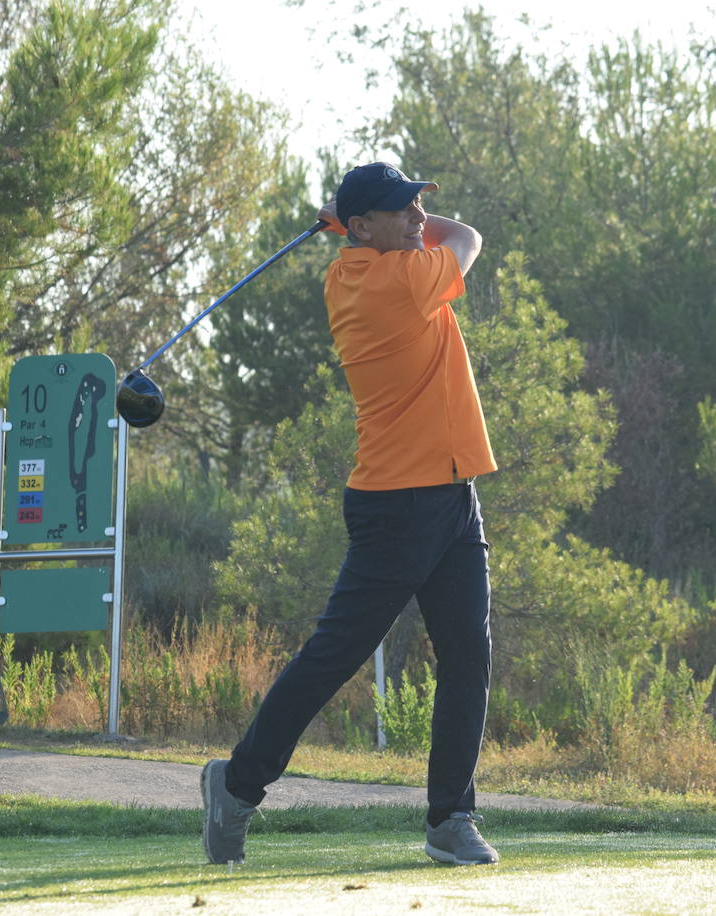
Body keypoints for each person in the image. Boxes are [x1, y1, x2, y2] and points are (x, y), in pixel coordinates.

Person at [201, 162, 499, 867]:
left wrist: (360, 215)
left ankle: (450, 818)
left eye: (417, 204)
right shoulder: (391, 282)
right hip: (398, 503)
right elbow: (470, 236)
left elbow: (440, 230)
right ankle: (236, 786)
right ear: (361, 227)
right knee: (334, 658)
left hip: (454, 493)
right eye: (402, 210)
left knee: (469, 657)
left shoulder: (365, 267)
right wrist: (352, 216)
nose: (419, 219)